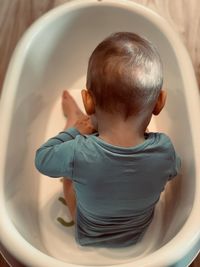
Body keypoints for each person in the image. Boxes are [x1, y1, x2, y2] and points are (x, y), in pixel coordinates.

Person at [35, 32, 181, 248]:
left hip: (88, 232)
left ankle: (74, 119)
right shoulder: (165, 151)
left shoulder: (79, 152)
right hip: (136, 234)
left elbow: (42, 158)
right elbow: (174, 169)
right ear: (159, 102)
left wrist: (76, 131)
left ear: (88, 101)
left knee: (69, 178)